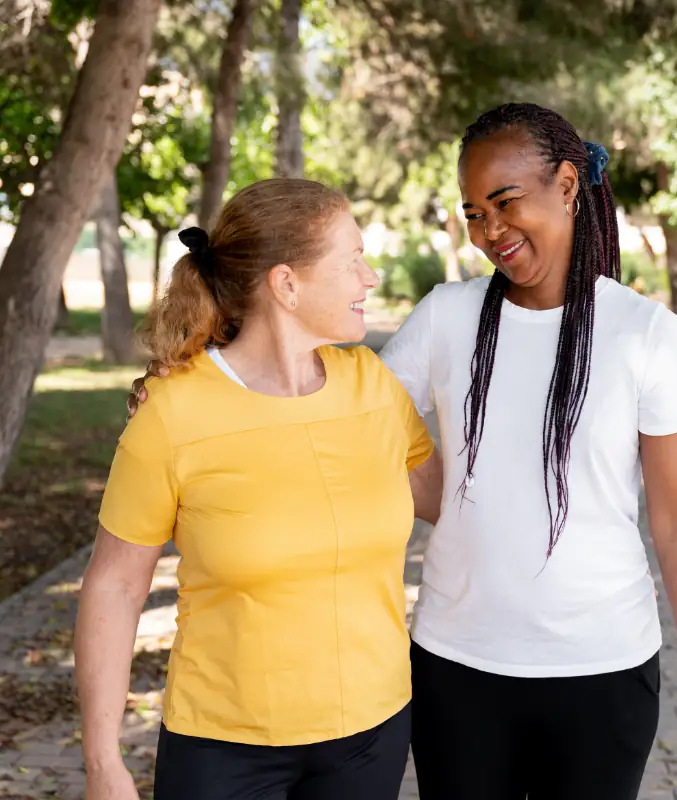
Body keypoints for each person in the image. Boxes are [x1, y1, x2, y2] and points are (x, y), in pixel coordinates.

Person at [130, 104, 677, 800]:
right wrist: (195, 379)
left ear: (568, 187)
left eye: (504, 203)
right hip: (457, 670)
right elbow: (325, 406)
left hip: (605, 673)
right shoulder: (448, 317)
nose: (490, 231)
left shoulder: (645, 335)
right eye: (475, 212)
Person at [75, 178, 442, 800]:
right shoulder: (173, 412)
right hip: (225, 747)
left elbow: (452, 502)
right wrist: (103, 763)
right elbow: (114, 585)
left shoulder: (373, 388)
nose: (370, 277)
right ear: (287, 284)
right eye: (352, 260)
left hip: (372, 734)